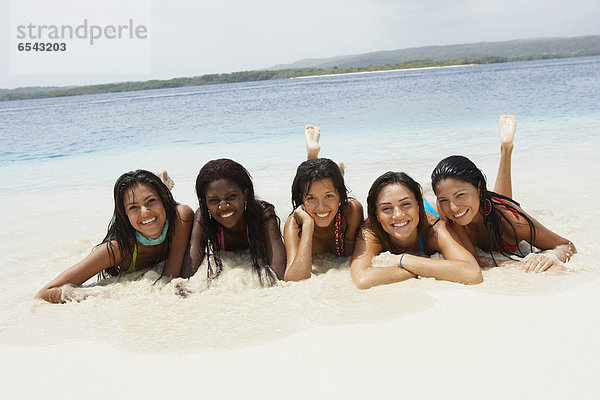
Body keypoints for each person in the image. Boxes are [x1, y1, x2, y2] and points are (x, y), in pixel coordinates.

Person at [431, 115, 576, 272]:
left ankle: (506, 149)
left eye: (460, 195)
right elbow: (471, 258)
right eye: (444, 199)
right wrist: (518, 265)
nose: (453, 207)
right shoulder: (446, 212)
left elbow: (566, 246)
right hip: (485, 207)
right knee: (491, 207)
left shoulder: (515, 221)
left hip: (499, 211)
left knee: (502, 207)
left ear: (479, 187)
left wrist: (549, 257)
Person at [36, 170, 194, 303]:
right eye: (133, 207)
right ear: (124, 215)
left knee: (153, 213)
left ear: (164, 200)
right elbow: (44, 293)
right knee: (151, 216)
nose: (144, 212)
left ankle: (162, 185)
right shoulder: (117, 248)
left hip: (165, 211)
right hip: (136, 233)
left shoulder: (181, 217)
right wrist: (93, 294)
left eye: (152, 201)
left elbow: (171, 275)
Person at [350, 171, 482, 289]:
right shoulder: (371, 233)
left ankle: (421, 191)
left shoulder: (434, 230)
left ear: (418, 206)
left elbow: (472, 273)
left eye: (405, 204)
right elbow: (363, 279)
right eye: (386, 208)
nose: (398, 215)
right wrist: (426, 270)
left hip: (426, 213)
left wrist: (403, 260)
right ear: (377, 214)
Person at [181, 158, 285, 285]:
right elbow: (190, 266)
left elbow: (279, 273)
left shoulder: (263, 214)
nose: (223, 206)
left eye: (231, 196)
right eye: (214, 200)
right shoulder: (204, 217)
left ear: (245, 194)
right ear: (205, 202)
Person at [283, 125, 364, 281]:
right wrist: (307, 225)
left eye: (329, 196)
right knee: (318, 184)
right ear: (302, 200)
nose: (321, 207)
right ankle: (318, 161)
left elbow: (349, 254)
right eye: (310, 198)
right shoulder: (294, 224)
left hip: (338, 203)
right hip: (320, 202)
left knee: (321, 185)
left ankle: (333, 170)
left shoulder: (352, 211)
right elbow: (294, 279)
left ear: (341, 197)